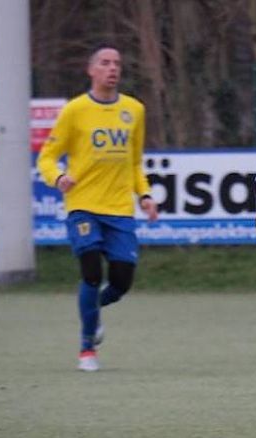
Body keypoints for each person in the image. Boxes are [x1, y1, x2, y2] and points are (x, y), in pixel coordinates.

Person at [37, 45, 158, 371]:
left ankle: (93, 309)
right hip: (83, 206)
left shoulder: (134, 110)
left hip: (120, 209)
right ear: (91, 70)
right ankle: (87, 348)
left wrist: (145, 195)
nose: (112, 68)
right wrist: (58, 177)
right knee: (91, 272)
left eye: (117, 63)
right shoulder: (75, 110)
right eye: (105, 63)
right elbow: (46, 158)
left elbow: (135, 163)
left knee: (121, 282)